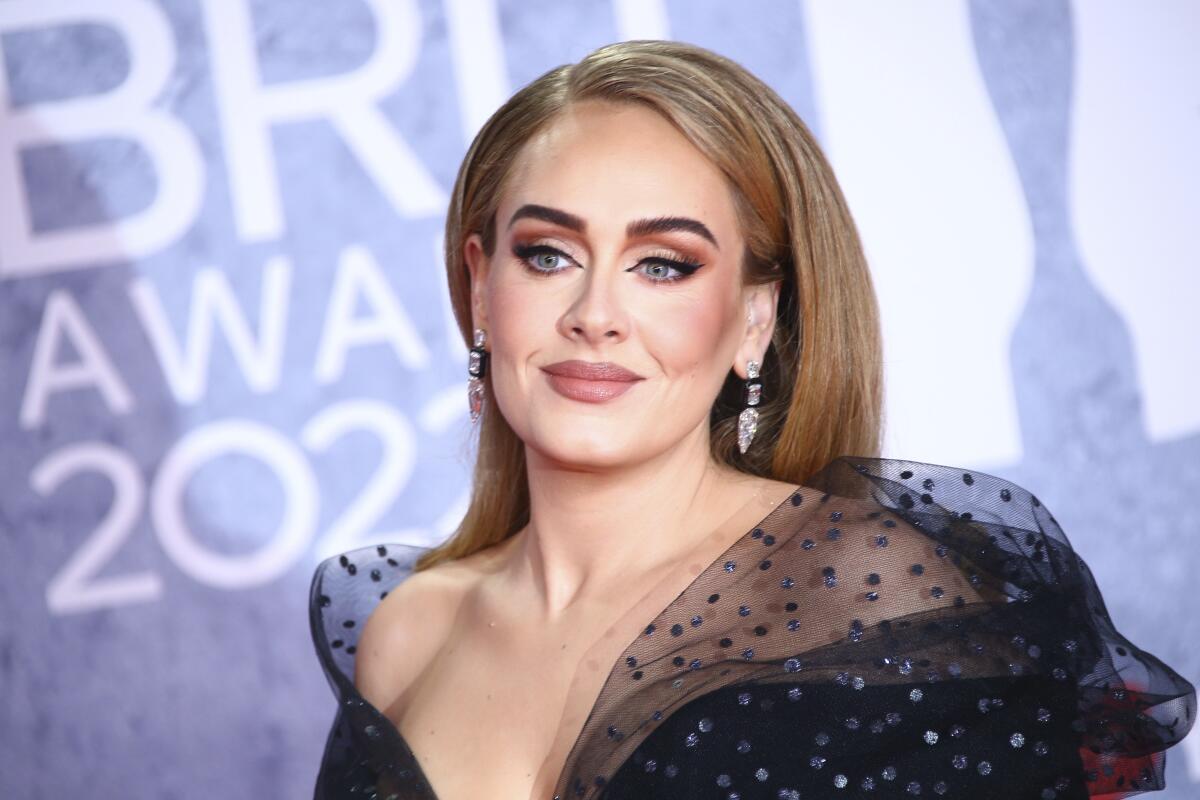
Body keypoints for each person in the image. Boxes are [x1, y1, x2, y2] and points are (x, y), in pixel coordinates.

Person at [308, 40, 1195, 799]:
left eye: (663, 265)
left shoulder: (882, 602)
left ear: (754, 319)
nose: (595, 312)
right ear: (480, 288)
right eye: (548, 254)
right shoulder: (410, 633)